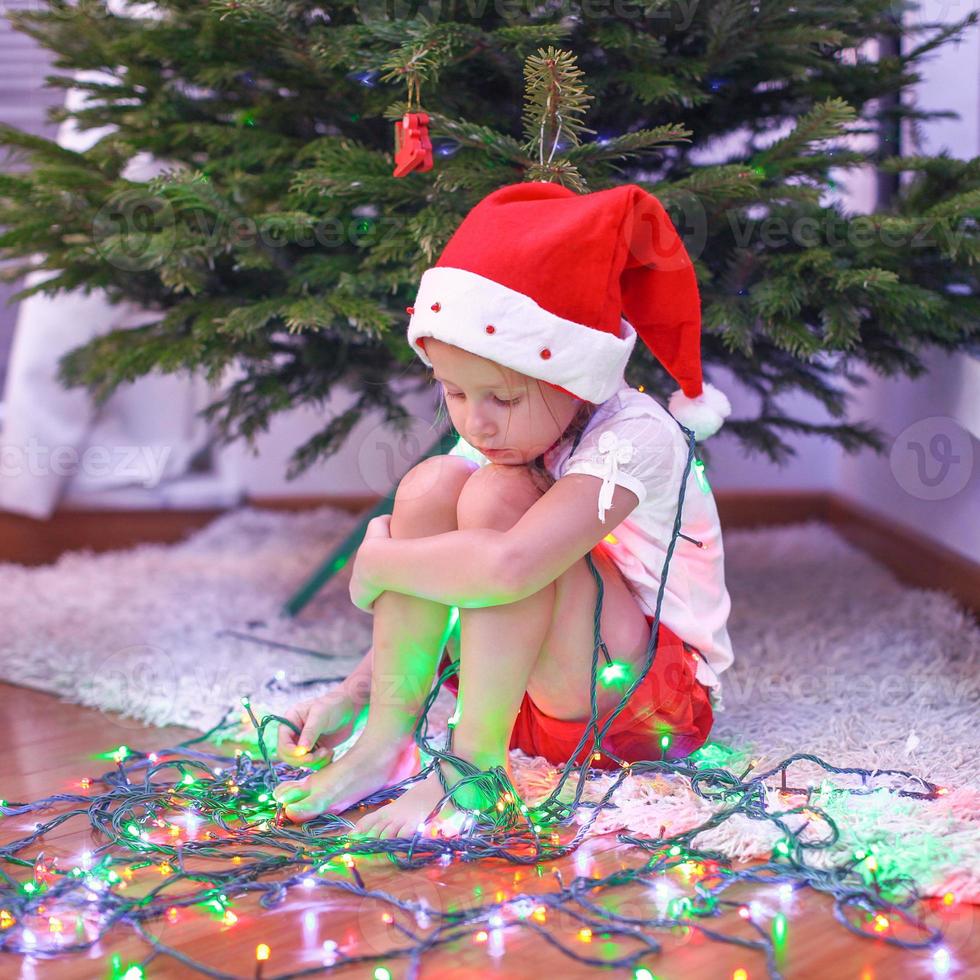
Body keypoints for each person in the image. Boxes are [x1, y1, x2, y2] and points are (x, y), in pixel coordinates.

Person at [273, 181, 735, 836]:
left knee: (495, 496)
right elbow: (445, 573)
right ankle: (384, 744)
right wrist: (353, 693)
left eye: (501, 398)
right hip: (519, 692)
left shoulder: (637, 437)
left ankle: (475, 770)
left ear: (571, 377)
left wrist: (377, 562)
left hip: (636, 704)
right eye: (455, 393)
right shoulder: (514, 431)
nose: (478, 422)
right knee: (435, 483)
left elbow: (509, 568)